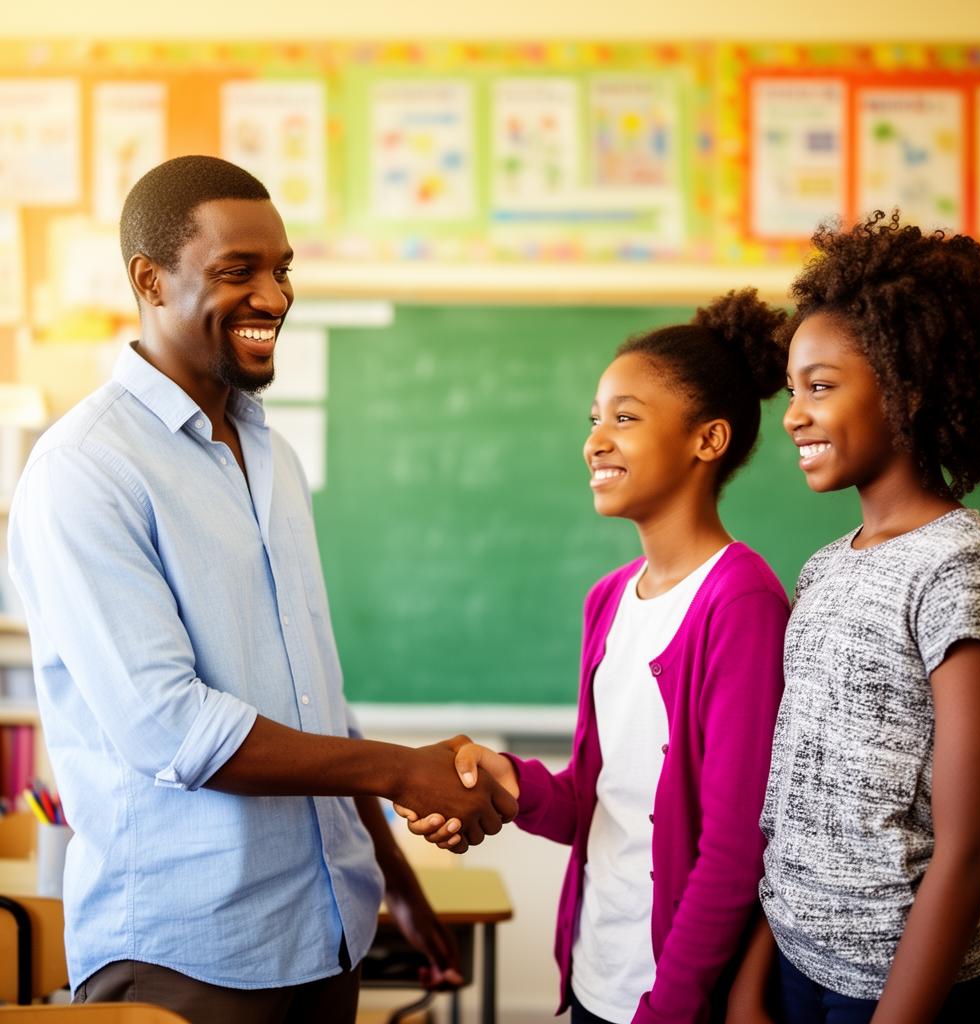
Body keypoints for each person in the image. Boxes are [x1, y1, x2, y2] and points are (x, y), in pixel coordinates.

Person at [6, 154, 516, 1024]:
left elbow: (317, 706)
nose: (274, 297)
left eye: (282, 270)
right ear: (151, 281)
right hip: (187, 953)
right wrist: (404, 773)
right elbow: (175, 728)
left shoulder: (270, 456)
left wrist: (393, 887)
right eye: (237, 271)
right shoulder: (85, 469)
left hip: (324, 932)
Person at [401, 292, 792, 1023]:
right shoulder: (609, 601)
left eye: (625, 417)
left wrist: (668, 1007)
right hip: (595, 977)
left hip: (673, 999)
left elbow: (736, 850)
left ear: (707, 440)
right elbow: (592, 800)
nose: (595, 441)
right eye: (594, 419)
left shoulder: (741, 603)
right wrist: (504, 778)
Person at [755, 211, 980, 1023]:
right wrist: (752, 976)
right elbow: (793, 802)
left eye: (821, 386)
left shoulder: (960, 564)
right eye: (792, 388)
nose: (793, 414)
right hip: (797, 967)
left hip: (907, 989)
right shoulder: (825, 565)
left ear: (908, 386)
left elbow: (972, 848)